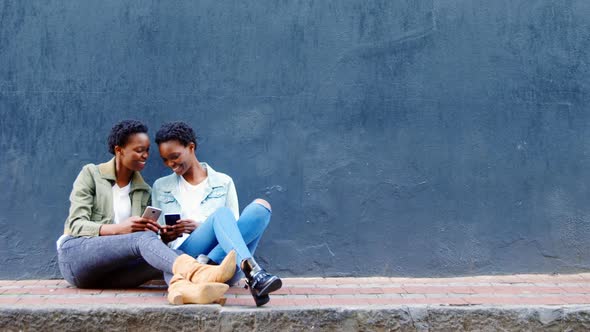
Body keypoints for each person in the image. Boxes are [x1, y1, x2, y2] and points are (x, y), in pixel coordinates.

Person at [56, 120, 238, 305]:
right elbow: (75, 225)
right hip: (77, 259)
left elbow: (148, 244)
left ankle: (184, 291)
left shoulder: (144, 190)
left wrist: (163, 236)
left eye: (147, 150)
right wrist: (120, 228)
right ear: (119, 150)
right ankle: (198, 272)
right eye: (139, 150)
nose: (145, 155)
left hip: (112, 274)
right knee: (141, 239)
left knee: (165, 254)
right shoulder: (91, 174)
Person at [152, 121, 282, 306]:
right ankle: (254, 274)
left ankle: (212, 266)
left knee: (260, 207)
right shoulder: (161, 186)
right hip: (185, 256)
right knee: (221, 214)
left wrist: (202, 227)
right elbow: (155, 239)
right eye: (165, 160)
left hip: (223, 261)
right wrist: (165, 236)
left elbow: (234, 232)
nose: (170, 164)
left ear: (191, 147)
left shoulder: (223, 182)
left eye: (174, 156)